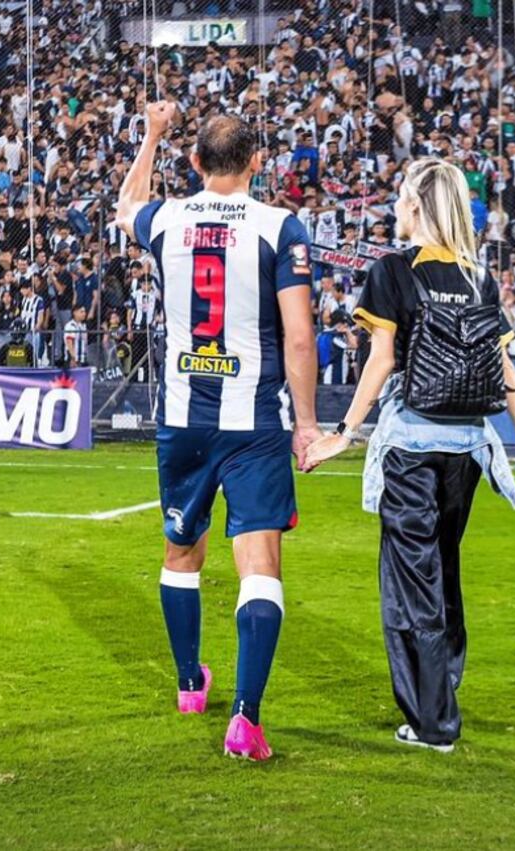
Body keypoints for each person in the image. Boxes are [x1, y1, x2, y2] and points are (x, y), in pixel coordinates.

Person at [305, 158, 515, 752]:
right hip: (466, 451)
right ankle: (444, 689)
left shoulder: (393, 270)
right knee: (443, 576)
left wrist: (344, 431)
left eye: (402, 197)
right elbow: (504, 368)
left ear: (416, 205)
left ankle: (433, 722)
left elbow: (383, 360)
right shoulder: (477, 278)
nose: (395, 205)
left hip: (412, 450)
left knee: (412, 587)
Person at [115, 102, 321, 762]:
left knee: (182, 552)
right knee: (259, 567)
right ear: (258, 162)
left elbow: (126, 206)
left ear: (196, 162)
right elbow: (297, 335)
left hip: (183, 417)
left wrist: (150, 135)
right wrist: (308, 423)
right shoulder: (279, 226)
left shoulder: (168, 219)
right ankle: (246, 717)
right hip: (254, 421)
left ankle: (187, 682)